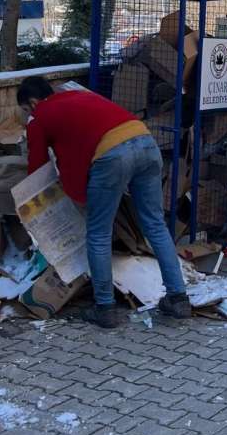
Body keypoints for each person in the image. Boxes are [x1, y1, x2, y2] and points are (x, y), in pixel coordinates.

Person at [17, 77, 191, 328]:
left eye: (25, 111)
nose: (27, 116)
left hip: (113, 156)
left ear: (33, 102)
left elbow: (37, 168)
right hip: (145, 141)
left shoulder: (40, 116)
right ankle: (179, 299)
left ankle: (105, 307)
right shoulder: (81, 95)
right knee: (155, 225)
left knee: (98, 233)